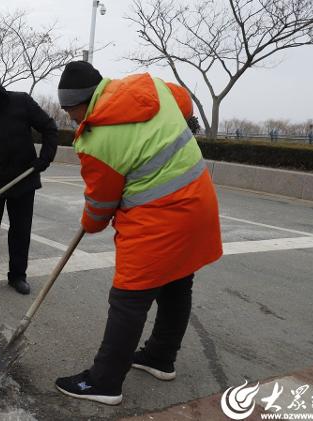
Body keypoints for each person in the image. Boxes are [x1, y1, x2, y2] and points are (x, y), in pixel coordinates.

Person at [53, 61, 223, 405]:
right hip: (199, 200)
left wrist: (90, 223)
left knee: (128, 299)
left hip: (157, 220)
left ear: (84, 101)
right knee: (177, 281)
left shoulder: (95, 139)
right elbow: (184, 103)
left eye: (71, 110)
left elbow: (101, 204)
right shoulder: (150, 86)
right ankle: (160, 357)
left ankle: (104, 382)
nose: (71, 118)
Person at [0, 64, 58, 297]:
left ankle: (17, 276)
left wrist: (44, 159)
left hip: (23, 179)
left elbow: (49, 128)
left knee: (20, 231)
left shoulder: (21, 103)